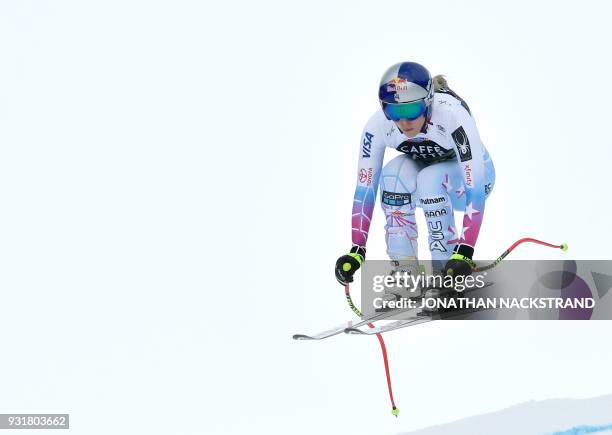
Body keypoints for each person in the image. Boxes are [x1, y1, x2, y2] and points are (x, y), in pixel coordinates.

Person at [335, 61, 495, 286]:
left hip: (472, 183)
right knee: (392, 176)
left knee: (429, 179)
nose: (403, 121)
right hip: (429, 181)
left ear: (428, 102)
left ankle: (446, 272)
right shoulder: (378, 126)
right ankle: (405, 274)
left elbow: (475, 187)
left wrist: (464, 252)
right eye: (393, 111)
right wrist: (357, 249)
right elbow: (365, 189)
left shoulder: (451, 115)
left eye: (411, 110)